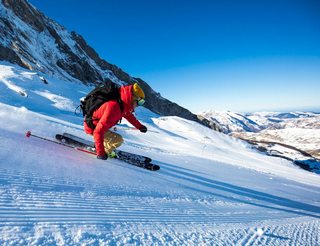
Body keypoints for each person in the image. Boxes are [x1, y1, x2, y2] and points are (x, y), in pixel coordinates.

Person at [84, 83, 147, 160]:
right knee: (118, 140)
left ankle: (102, 145)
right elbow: (98, 132)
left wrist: (140, 126)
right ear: (132, 97)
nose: (139, 105)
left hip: (98, 125)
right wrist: (101, 153)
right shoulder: (114, 108)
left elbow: (128, 115)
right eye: (140, 102)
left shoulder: (122, 103)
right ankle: (104, 151)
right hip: (93, 128)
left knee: (112, 136)